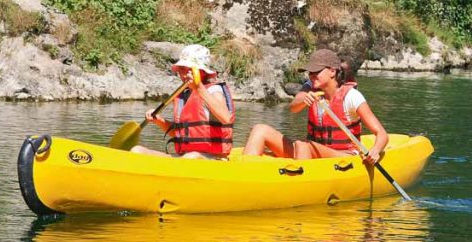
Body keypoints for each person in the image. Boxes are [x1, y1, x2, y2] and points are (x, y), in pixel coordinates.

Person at [243, 49, 388, 164]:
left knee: (303, 145)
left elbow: (382, 134)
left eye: (316, 71)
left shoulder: (351, 97)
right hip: (311, 151)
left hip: (342, 157)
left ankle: (298, 186)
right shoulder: (309, 88)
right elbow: (294, 107)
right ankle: (245, 175)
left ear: (332, 71)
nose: (311, 75)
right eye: (310, 72)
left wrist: (375, 151)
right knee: (260, 129)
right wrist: (304, 99)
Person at [130, 44, 235, 160]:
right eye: (181, 69)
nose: (184, 74)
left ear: (201, 71)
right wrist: (159, 121)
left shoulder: (213, 90)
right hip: (184, 157)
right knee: (137, 151)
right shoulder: (184, 95)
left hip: (213, 158)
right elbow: (179, 133)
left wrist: (199, 87)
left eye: (189, 70)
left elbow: (226, 118)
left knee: (191, 157)